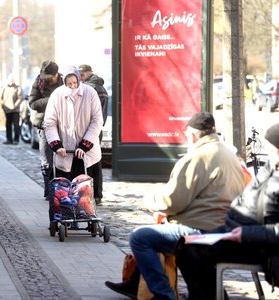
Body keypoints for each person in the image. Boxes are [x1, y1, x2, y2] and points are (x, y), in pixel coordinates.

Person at [104, 112, 246, 300]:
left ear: (194, 134)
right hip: (224, 226)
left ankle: (164, 294)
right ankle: (135, 284)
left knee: (140, 237)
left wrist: (149, 201)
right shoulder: (227, 153)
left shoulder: (198, 156)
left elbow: (172, 201)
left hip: (203, 230)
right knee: (159, 231)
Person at [176, 122, 279, 300]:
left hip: (263, 246)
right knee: (185, 245)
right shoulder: (272, 167)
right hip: (238, 232)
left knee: (194, 252)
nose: (270, 153)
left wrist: (246, 233)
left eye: (273, 149)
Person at [44, 66, 103, 182]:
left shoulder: (90, 93)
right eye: (69, 84)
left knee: (89, 192)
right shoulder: (57, 95)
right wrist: (56, 144)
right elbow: (50, 122)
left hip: (88, 150)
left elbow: (97, 120)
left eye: (75, 83)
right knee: (66, 191)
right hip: (65, 148)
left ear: (79, 80)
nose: (73, 86)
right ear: (64, 82)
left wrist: (85, 144)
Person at [28, 60, 64, 198]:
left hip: (62, 124)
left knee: (62, 158)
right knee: (46, 161)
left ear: (56, 75)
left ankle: (60, 189)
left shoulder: (64, 82)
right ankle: (49, 190)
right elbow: (32, 103)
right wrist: (51, 100)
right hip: (44, 124)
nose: (46, 79)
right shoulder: (38, 82)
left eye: (49, 76)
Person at [78, 64, 109, 205]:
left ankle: (91, 194)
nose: (80, 77)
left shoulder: (91, 88)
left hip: (90, 129)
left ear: (89, 73)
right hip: (95, 129)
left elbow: (94, 114)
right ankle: (96, 194)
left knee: (91, 162)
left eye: (82, 74)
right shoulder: (99, 87)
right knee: (94, 162)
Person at [0, 76, 23, 145]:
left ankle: (16, 140)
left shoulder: (18, 88)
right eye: (10, 80)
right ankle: (8, 139)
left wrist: (15, 105)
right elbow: (1, 98)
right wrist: (3, 106)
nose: (11, 81)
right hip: (7, 110)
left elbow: (20, 98)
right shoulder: (5, 88)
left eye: (12, 80)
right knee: (8, 125)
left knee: (16, 125)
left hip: (15, 110)